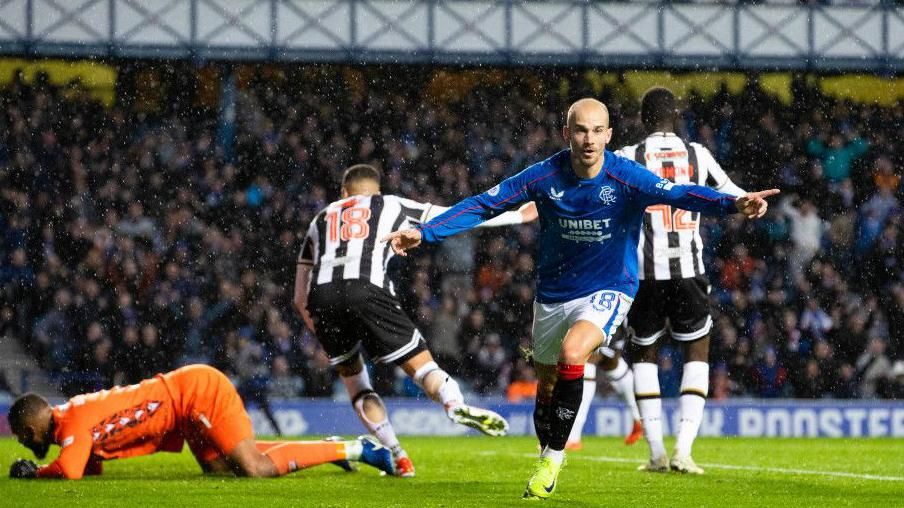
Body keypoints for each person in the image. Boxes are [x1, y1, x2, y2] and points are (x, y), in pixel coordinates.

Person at [383, 98, 777, 500]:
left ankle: (554, 459)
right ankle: (547, 452)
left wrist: (732, 203)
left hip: (610, 288)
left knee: (575, 353)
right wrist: (425, 231)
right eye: (581, 130)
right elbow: (485, 204)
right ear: (566, 133)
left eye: (596, 131)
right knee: (548, 388)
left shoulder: (627, 176)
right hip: (554, 294)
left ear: (609, 135)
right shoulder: (543, 175)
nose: (589, 139)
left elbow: (680, 193)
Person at [293, 164, 537, 477]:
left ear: (343, 192)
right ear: (376, 191)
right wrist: (517, 215)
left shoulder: (320, 218)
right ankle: (453, 403)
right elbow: (457, 215)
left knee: (357, 385)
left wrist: (320, 329)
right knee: (423, 369)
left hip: (322, 299)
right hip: (366, 290)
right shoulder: (390, 204)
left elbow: (300, 298)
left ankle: (398, 456)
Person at [615, 87, 749, 475]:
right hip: (688, 270)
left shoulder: (628, 156)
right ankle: (684, 452)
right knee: (697, 352)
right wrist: (752, 201)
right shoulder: (698, 155)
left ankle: (656, 453)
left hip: (644, 272)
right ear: (675, 116)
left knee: (644, 356)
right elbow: (731, 194)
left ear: (642, 118)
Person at [6, 364, 394, 480]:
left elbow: (70, 471)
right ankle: (323, 449)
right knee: (221, 467)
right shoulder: (72, 420)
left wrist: (35, 472)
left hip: (195, 392)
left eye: (26, 441)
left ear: (29, 431)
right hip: (183, 408)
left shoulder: (72, 420)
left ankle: (359, 448)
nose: (27, 446)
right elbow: (89, 465)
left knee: (255, 469)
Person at [564, 325, 643, 450]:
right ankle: (639, 418)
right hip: (613, 317)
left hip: (606, 315)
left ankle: (573, 437)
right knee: (610, 363)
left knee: (587, 358)